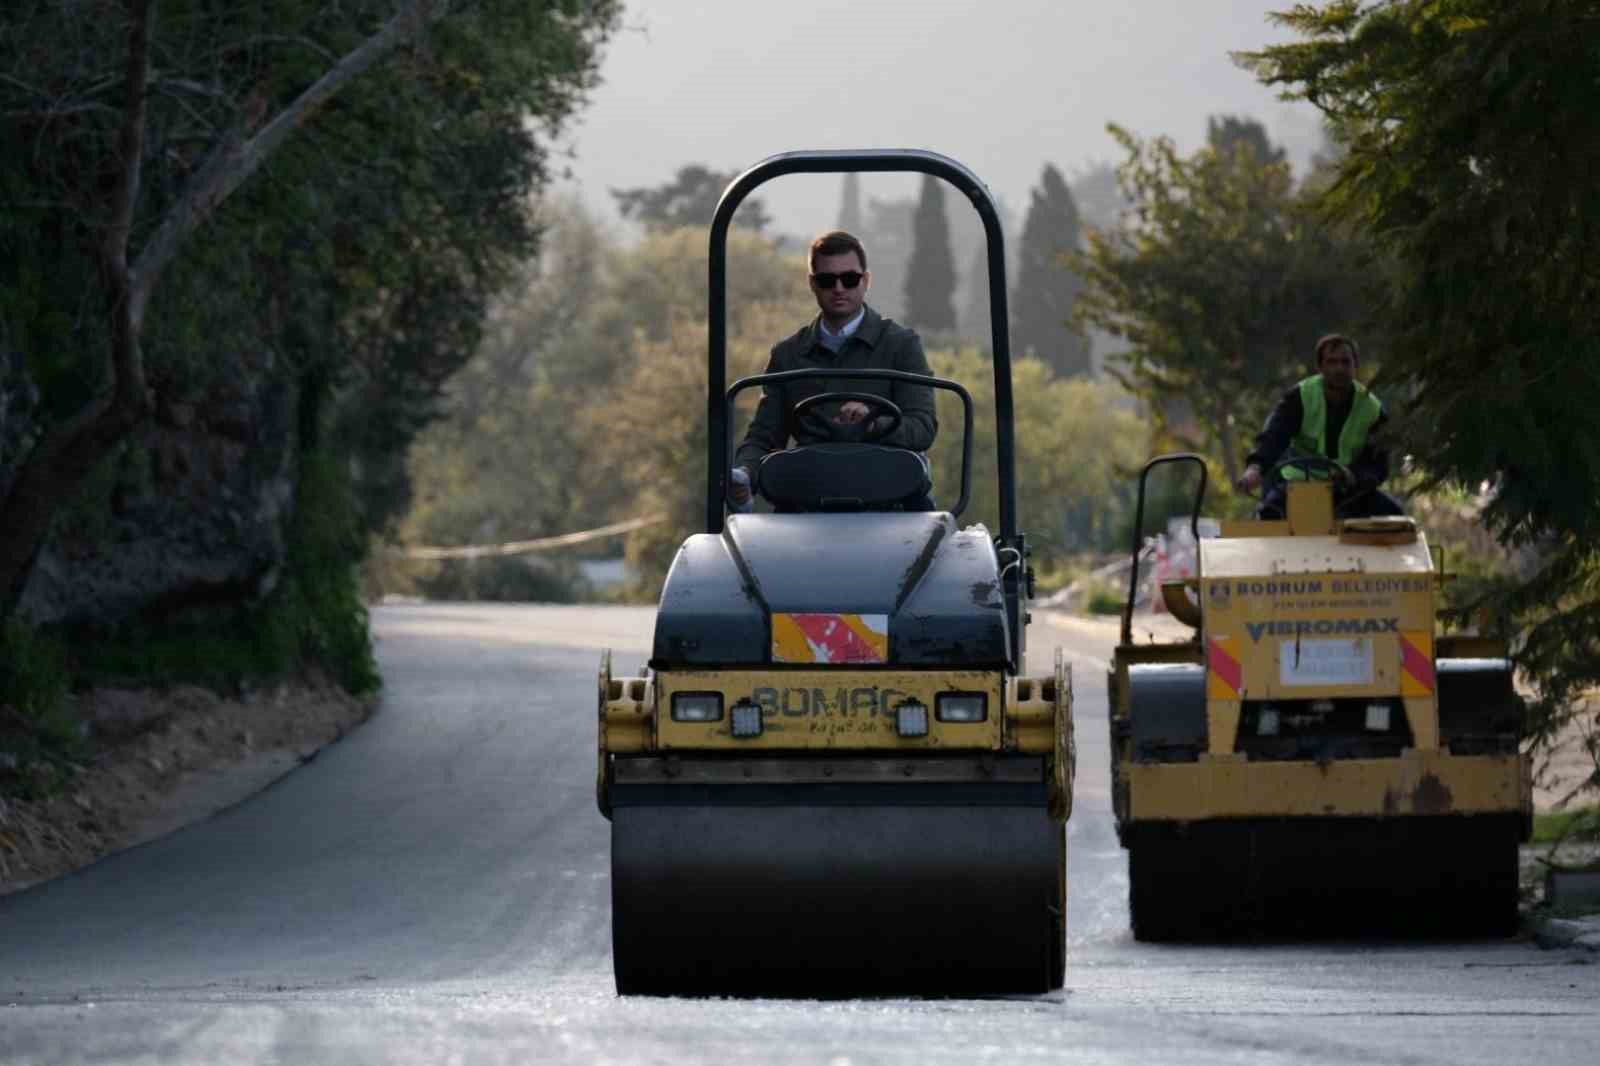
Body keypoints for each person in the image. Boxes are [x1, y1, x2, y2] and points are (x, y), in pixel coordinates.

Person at [729, 230, 937, 510]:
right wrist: (744, 475)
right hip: (809, 503)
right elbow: (764, 436)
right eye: (827, 280)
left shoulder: (901, 346)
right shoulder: (788, 356)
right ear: (813, 284)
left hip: (890, 504)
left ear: (865, 281)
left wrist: (875, 422)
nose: (839, 288)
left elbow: (922, 427)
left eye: (849, 279)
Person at [1234, 333, 1403, 519]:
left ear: (1355, 367)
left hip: (1347, 491)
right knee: (1269, 513)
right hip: (1297, 486)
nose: (1339, 368)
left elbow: (1378, 465)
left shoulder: (1373, 409)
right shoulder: (1300, 397)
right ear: (1320, 367)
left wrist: (1354, 476)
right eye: (1332, 362)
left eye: (1345, 362)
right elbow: (1274, 437)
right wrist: (1255, 469)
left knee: (1394, 514)